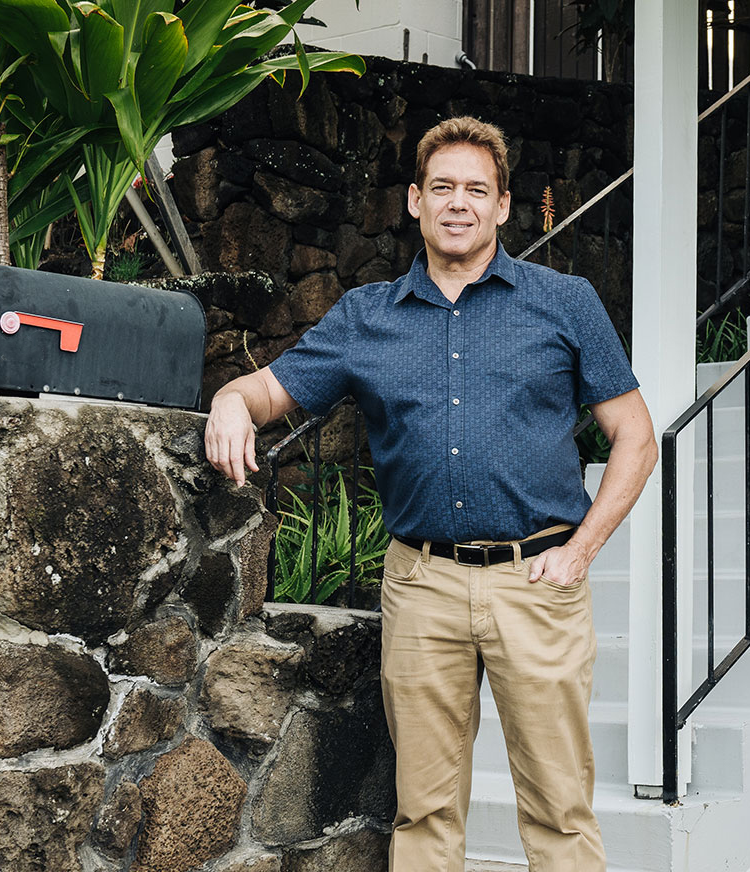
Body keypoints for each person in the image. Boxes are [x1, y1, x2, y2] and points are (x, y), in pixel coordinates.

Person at [203, 115, 655, 872]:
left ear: (504, 207)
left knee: (559, 811)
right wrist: (228, 403)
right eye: (442, 187)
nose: (458, 203)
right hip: (422, 584)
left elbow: (635, 437)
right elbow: (269, 390)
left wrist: (581, 553)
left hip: (536, 581)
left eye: (477, 190)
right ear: (414, 200)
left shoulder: (564, 303)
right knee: (423, 812)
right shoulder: (366, 317)